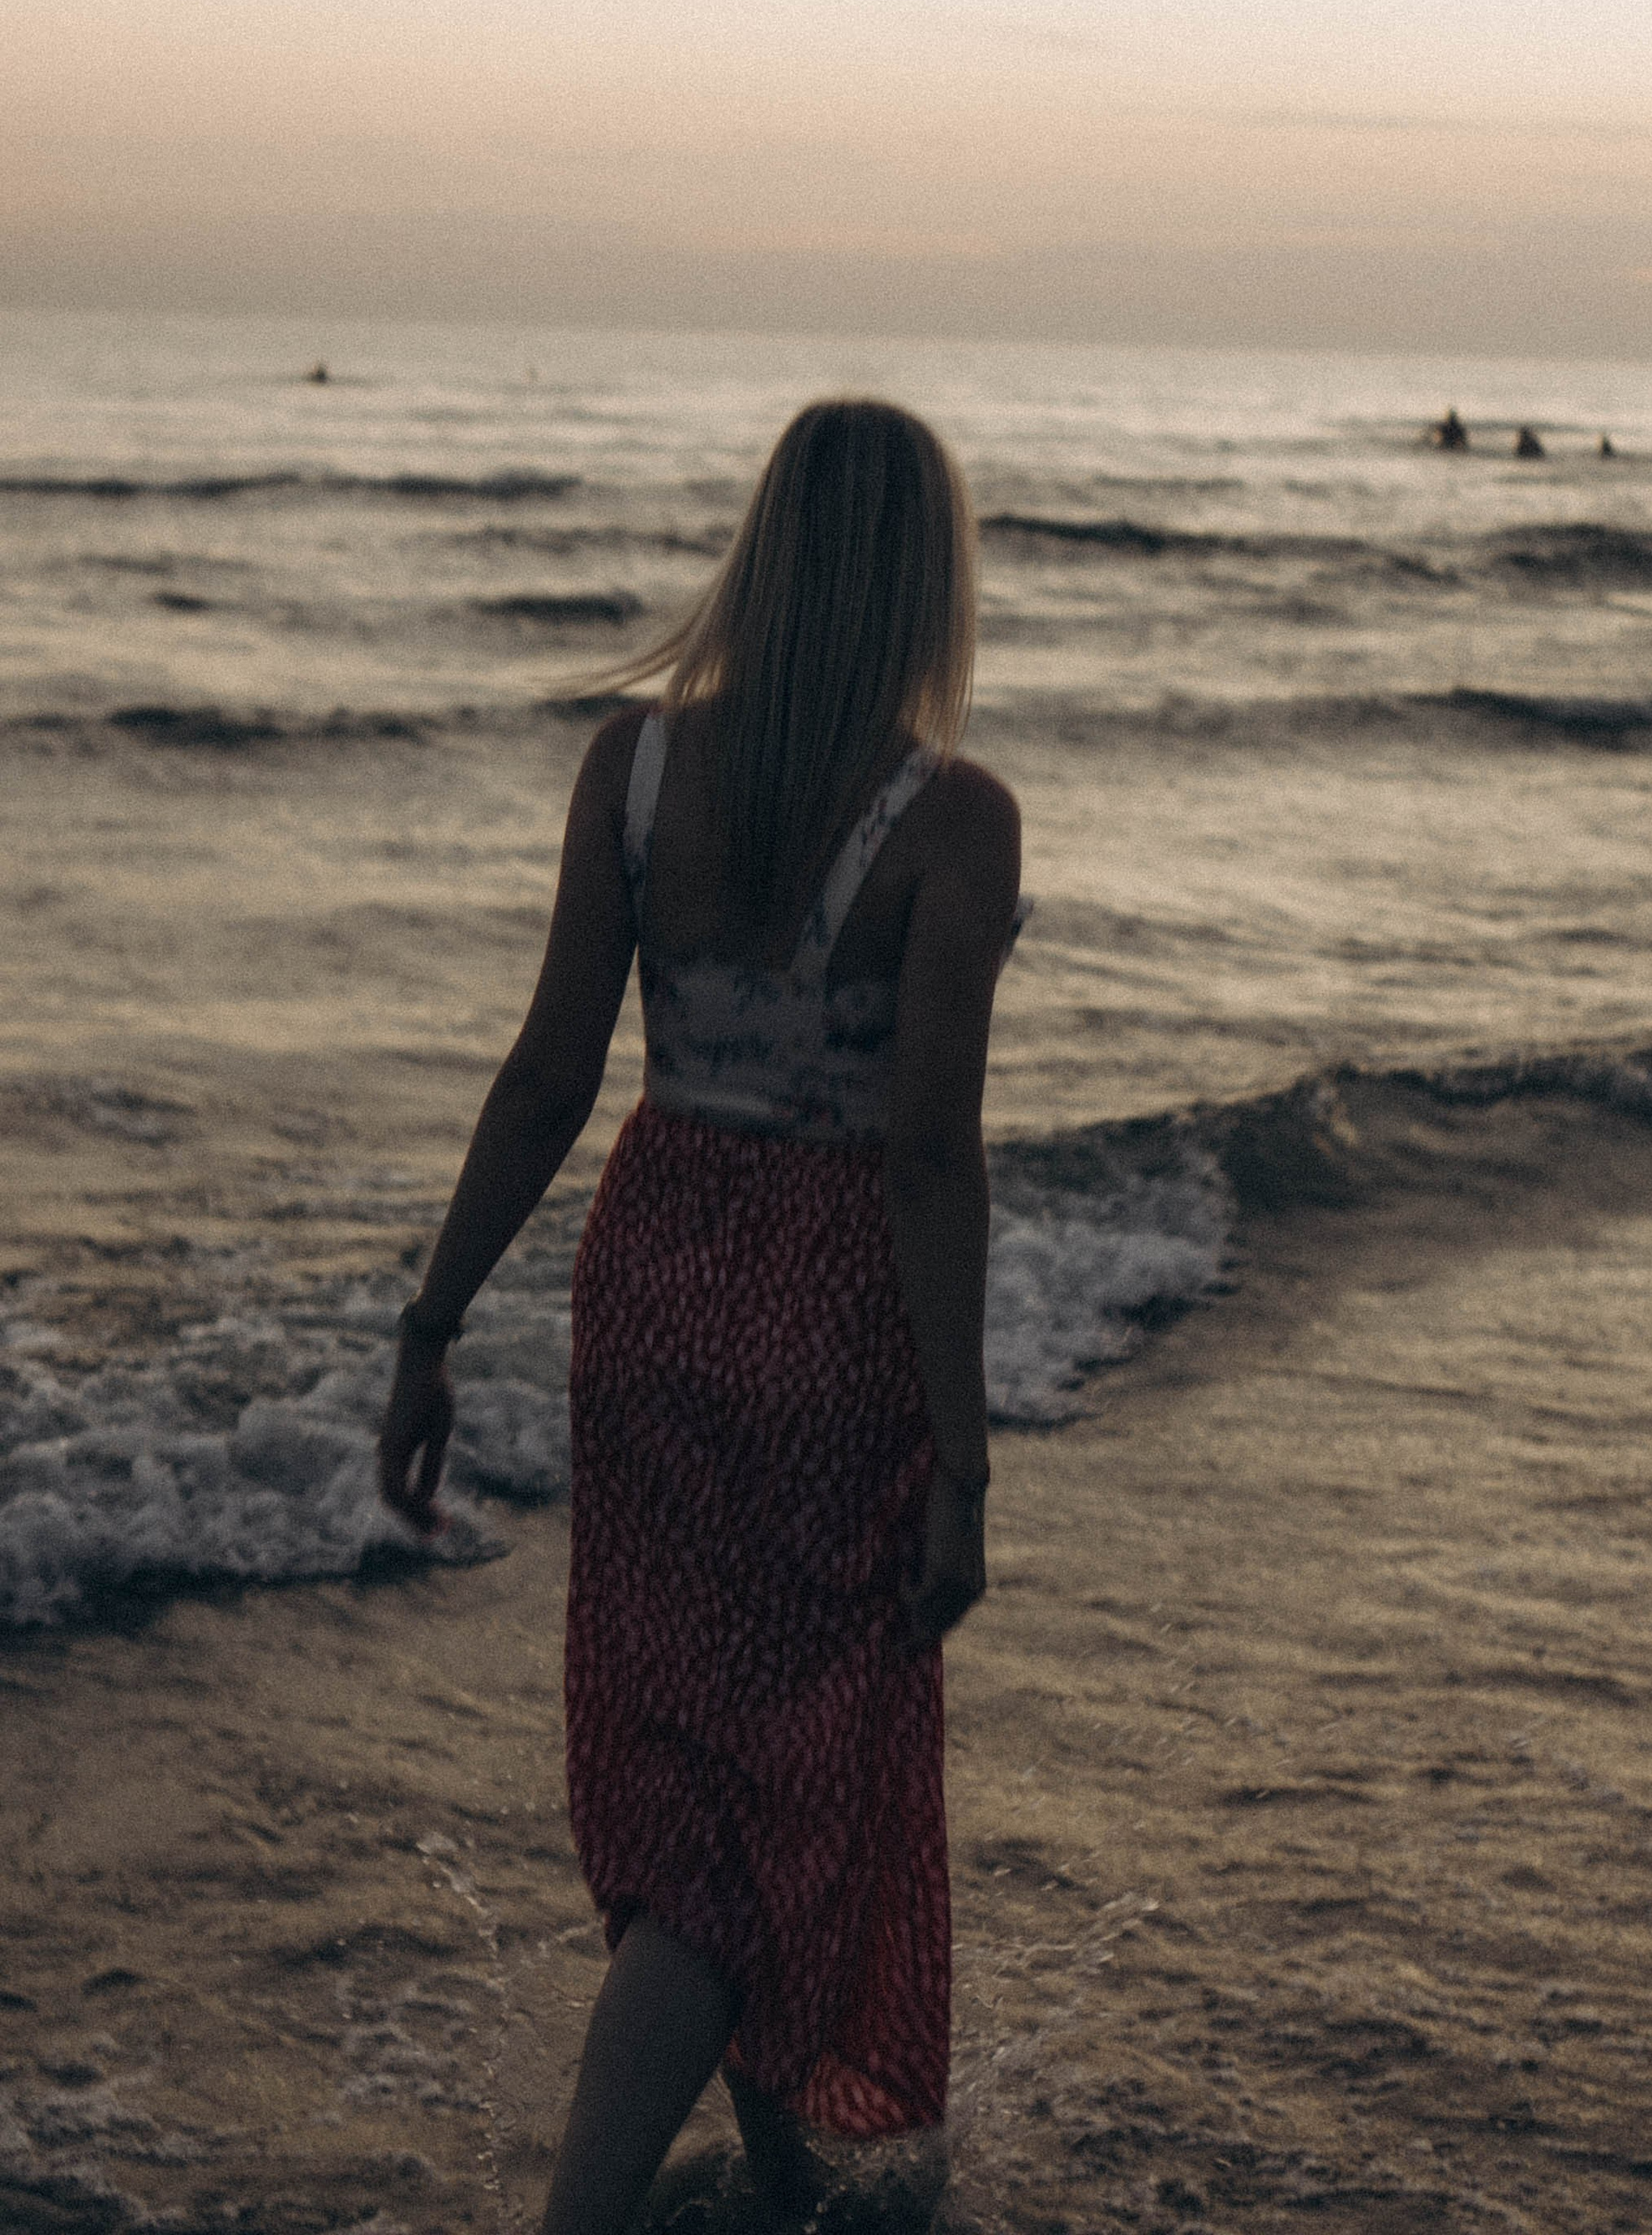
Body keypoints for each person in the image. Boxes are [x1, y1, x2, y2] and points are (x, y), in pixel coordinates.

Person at [377, 400, 1022, 2235]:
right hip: (824, 1322)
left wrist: (433, 1328)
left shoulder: (634, 770)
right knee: (772, 1795)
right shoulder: (949, 821)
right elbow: (925, 1162)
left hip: (651, 1279)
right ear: (921, 581)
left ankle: (778, 2179)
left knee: (706, 1763)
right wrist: (963, 1463)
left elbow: (546, 1075)